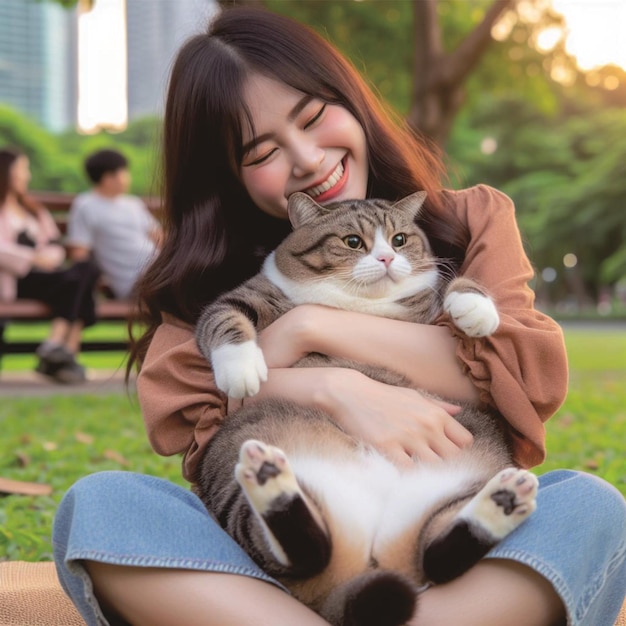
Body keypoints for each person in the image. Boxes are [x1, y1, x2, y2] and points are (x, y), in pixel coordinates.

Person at [52, 7, 626, 626]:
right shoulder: (211, 278)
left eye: (312, 116)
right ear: (227, 176)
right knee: (105, 505)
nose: (307, 159)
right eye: (264, 151)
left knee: (588, 505)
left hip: (438, 522)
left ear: (350, 99)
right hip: (299, 547)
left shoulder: (469, 219)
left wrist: (311, 329)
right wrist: (333, 386)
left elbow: (518, 376)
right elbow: (192, 408)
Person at [0, 148, 99, 384]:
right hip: (13, 281)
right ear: (7, 172)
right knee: (79, 284)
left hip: (44, 278)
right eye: (23, 169)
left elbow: (54, 244)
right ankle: (63, 354)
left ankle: (54, 345)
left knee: (87, 268)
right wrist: (33, 257)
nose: (27, 175)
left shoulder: (33, 210)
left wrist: (49, 258)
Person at [66, 148, 161, 300]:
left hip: (160, 271)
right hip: (135, 282)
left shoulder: (133, 204)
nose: (128, 177)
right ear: (108, 177)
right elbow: (79, 254)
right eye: (124, 172)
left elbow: (161, 239)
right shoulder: (85, 205)